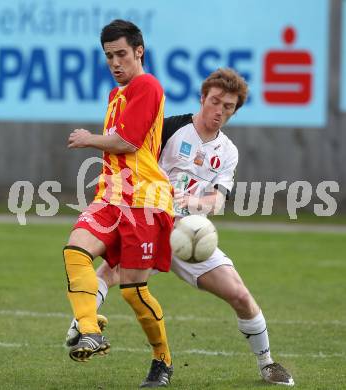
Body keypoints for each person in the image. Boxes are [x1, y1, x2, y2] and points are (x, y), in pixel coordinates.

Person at [67, 68, 294, 386]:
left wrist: (197, 202)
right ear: (203, 98)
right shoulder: (170, 128)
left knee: (240, 295)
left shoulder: (228, 152)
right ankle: (81, 327)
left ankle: (268, 364)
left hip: (191, 236)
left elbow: (218, 199)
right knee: (108, 272)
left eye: (228, 107)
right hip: (151, 223)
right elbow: (133, 156)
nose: (219, 110)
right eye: (215, 101)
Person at [63, 19, 174, 388]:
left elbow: (127, 143)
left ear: (138, 52)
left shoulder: (147, 85)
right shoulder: (116, 95)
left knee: (134, 292)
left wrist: (88, 138)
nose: (115, 62)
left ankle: (162, 361)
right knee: (75, 250)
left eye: (122, 54)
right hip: (111, 197)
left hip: (144, 201)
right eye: (109, 56)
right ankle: (90, 330)